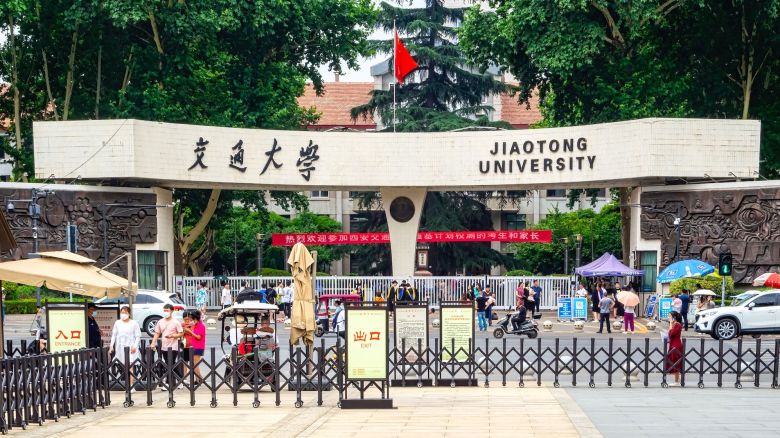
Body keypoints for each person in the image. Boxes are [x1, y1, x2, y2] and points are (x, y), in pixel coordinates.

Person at [150, 303, 184, 389]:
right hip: (164, 346)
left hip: (173, 346)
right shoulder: (160, 322)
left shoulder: (176, 322)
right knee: (169, 364)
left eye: (167, 311)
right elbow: (157, 333)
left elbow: (181, 333)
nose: (166, 312)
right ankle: (180, 380)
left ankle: (168, 383)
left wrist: (172, 336)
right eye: (164, 311)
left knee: (170, 363)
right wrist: (153, 342)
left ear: (171, 311)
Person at [108, 306, 142, 391]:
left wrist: (135, 345)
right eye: (122, 312)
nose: (123, 314)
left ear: (129, 313)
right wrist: (111, 345)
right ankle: (126, 384)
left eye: (125, 312)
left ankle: (131, 385)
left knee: (130, 365)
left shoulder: (134, 323)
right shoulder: (117, 323)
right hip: (120, 347)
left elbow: (138, 336)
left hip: (130, 347)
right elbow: (114, 335)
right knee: (123, 366)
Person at [182, 310, 206, 384]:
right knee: (194, 364)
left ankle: (200, 379)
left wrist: (190, 332)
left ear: (196, 319)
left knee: (195, 364)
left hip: (198, 347)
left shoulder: (201, 326)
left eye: (192, 319)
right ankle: (198, 379)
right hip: (194, 346)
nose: (191, 321)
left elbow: (198, 337)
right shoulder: (196, 325)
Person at [666, 310, 684, 386]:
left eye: (669, 316)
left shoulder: (677, 324)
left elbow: (671, 334)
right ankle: (678, 380)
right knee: (674, 362)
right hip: (673, 344)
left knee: (675, 362)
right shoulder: (675, 324)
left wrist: (670, 323)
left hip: (675, 345)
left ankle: (677, 382)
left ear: (674, 317)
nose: (668, 317)